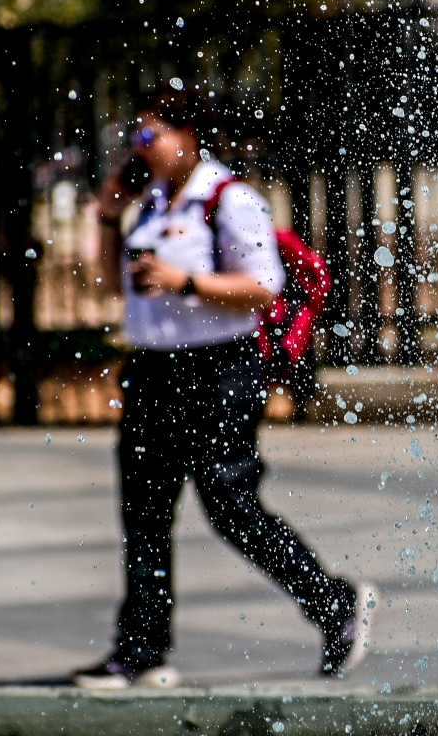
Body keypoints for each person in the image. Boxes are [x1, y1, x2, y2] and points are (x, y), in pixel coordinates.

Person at [73, 87, 375, 688]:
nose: (140, 147)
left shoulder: (232, 201)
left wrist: (185, 282)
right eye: (137, 137)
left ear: (188, 138)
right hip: (153, 371)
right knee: (145, 514)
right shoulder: (154, 204)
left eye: (150, 135)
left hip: (218, 372)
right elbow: (110, 286)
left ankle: (334, 603)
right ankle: (141, 651)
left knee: (229, 505)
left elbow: (263, 287)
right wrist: (109, 214)